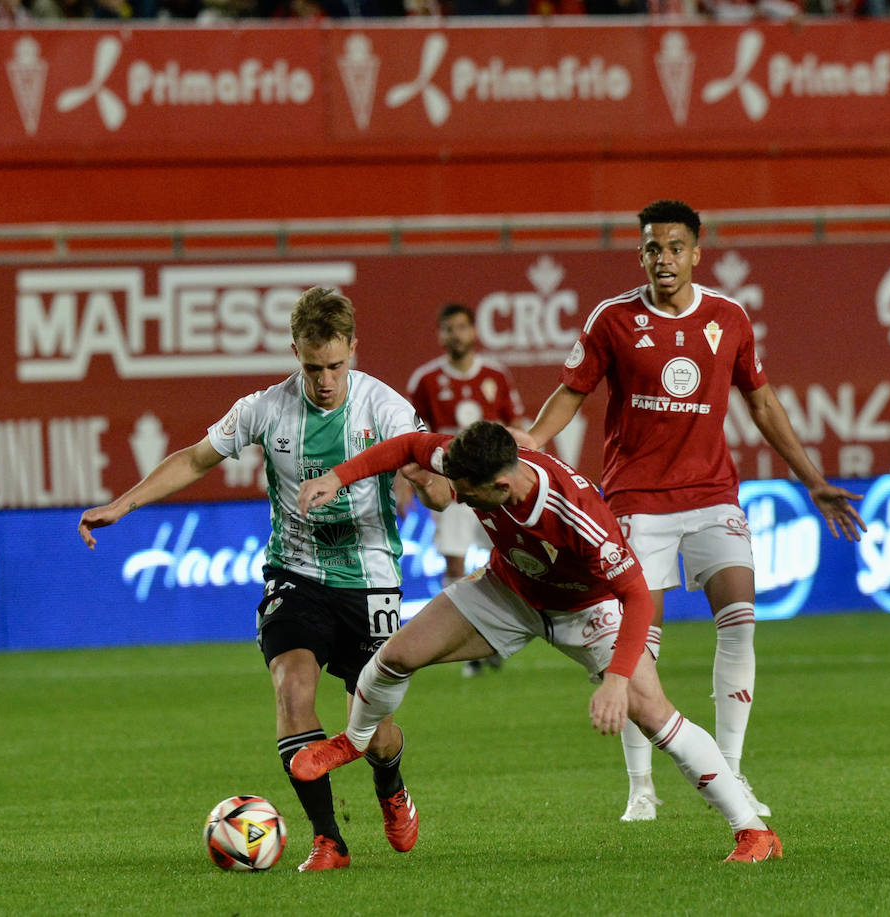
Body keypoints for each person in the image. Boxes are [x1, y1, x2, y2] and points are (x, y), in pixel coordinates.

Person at [77, 288, 452, 872]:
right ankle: (328, 839)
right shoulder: (264, 409)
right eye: (311, 367)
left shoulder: (387, 409)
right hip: (294, 572)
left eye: (335, 365)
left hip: (371, 580)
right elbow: (196, 458)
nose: (325, 380)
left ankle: (391, 781)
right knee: (292, 688)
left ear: (353, 349)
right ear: (294, 353)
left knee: (374, 732)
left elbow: (440, 492)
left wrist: (427, 482)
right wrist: (123, 506)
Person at [289, 421, 784, 862]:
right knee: (395, 655)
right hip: (509, 592)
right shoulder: (471, 461)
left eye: (468, 494)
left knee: (655, 715)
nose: (459, 500)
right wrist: (337, 478)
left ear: (502, 485)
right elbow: (407, 446)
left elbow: (634, 595)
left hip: (586, 611)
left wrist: (614, 682)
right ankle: (354, 742)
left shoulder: (575, 511)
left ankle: (753, 833)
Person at [520, 199, 866, 823]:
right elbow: (570, 394)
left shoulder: (728, 318)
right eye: (652, 248)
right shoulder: (613, 320)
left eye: (675, 247)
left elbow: (763, 406)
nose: (664, 259)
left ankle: (729, 771)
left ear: (696, 252)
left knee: (739, 619)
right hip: (635, 502)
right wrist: (532, 445)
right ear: (641, 254)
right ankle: (640, 787)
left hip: (712, 497)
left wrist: (813, 481)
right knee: (636, 643)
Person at [406, 302, 526, 676]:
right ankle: (467, 646)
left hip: (495, 488)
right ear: (440, 334)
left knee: (507, 560)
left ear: (473, 331)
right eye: (448, 328)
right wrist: (404, 486)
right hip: (453, 487)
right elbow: (410, 438)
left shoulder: (496, 375)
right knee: (454, 561)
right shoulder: (425, 381)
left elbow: (518, 428)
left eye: (461, 327)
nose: (455, 334)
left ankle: (495, 636)